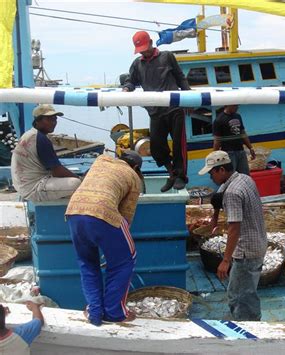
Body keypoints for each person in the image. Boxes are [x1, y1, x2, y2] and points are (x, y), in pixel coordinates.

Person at [65, 151, 143, 326]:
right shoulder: (133, 177)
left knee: (88, 263)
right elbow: (125, 218)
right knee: (125, 260)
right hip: (103, 212)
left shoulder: (101, 161)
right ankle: (115, 313)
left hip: (74, 212)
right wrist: (113, 247)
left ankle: (95, 312)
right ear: (136, 167)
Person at [199, 151, 267, 321]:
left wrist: (225, 260)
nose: (210, 177)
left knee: (240, 296)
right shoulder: (243, 178)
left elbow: (234, 228)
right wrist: (215, 216)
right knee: (244, 291)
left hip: (246, 251)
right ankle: (248, 320)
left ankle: (248, 328)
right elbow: (218, 196)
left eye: (211, 172)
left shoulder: (232, 193)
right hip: (259, 242)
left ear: (221, 170)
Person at [122, 30, 191, 192]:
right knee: (157, 147)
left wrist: (188, 98)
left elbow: (181, 78)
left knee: (179, 144)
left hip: (174, 108)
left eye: (146, 48)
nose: (144, 52)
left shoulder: (167, 57)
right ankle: (172, 172)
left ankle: (181, 176)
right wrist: (126, 89)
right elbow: (130, 81)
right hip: (155, 110)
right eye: (141, 50)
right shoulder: (137, 64)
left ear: (151, 43)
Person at [11, 104, 81, 202]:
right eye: (49, 119)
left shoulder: (29, 134)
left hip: (23, 185)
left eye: (55, 119)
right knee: (76, 183)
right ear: (38, 121)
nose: (53, 123)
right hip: (33, 188)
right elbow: (57, 171)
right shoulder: (41, 139)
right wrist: (80, 178)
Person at [212, 105, 256, 175]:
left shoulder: (238, 116)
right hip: (228, 153)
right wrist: (214, 156)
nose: (237, 107)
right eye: (235, 105)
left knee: (245, 176)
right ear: (228, 105)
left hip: (240, 151)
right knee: (231, 177)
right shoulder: (219, 120)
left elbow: (243, 133)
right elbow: (217, 140)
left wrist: (250, 148)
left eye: (237, 105)